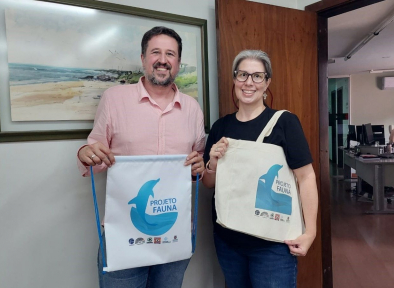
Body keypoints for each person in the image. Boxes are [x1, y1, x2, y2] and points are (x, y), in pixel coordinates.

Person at [77, 26, 205, 288]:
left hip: (174, 229)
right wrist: (85, 153)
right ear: (143, 58)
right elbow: (94, 153)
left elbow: (198, 163)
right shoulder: (114, 99)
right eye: (155, 52)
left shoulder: (192, 108)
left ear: (178, 63)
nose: (162, 59)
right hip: (123, 230)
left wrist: (200, 167)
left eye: (170, 54)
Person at [202, 50, 318, 288]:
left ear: (267, 83)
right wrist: (213, 162)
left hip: (273, 242)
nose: (249, 82)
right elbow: (209, 183)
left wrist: (310, 232)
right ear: (234, 79)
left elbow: (306, 177)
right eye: (243, 74)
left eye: (257, 76)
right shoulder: (221, 126)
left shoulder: (285, 123)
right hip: (228, 239)